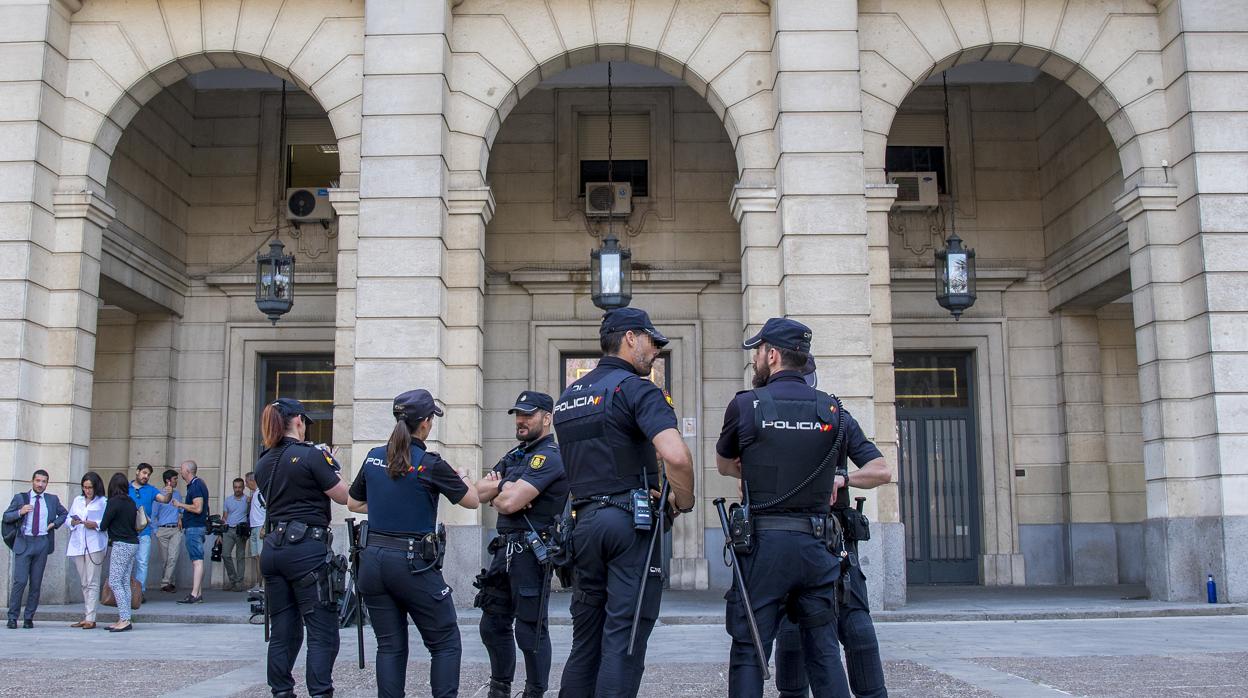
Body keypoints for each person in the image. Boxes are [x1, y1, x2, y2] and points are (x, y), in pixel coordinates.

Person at [715, 317, 868, 698]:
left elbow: (724, 463)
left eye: (758, 352)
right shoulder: (833, 409)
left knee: (750, 650)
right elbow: (869, 465)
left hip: (764, 548)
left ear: (773, 354)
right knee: (824, 652)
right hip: (817, 546)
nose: (755, 360)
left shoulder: (746, 404)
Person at [552, 307, 695, 698]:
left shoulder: (567, 399)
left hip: (583, 526)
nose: (655, 350)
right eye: (652, 341)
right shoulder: (635, 389)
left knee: (586, 641)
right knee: (624, 637)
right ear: (630, 337)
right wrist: (683, 500)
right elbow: (677, 456)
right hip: (628, 525)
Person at [347, 389, 480, 698]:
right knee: (445, 641)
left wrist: (386, 504)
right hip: (412, 564)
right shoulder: (430, 463)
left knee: (390, 646)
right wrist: (463, 477)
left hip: (372, 562)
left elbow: (354, 503)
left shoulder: (374, 456)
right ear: (426, 423)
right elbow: (471, 501)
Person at [772, 358, 893, 698]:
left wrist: (843, 477)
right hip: (792, 539)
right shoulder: (771, 416)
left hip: (830, 539)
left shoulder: (835, 416)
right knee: (795, 633)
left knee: (855, 628)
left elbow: (881, 469)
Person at [474, 391, 569, 698]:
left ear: (547, 418)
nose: (521, 420)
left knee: (530, 631)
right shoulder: (515, 455)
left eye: (528, 415)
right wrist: (504, 485)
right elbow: (478, 491)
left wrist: (501, 491)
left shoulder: (550, 456)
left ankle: (534, 692)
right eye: (518, 414)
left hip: (531, 552)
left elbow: (510, 503)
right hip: (503, 551)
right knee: (492, 624)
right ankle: (499, 689)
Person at [255, 397, 349, 698]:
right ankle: (320, 693)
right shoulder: (311, 456)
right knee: (322, 632)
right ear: (298, 421)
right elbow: (343, 496)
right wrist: (333, 465)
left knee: (284, 630)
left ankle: (281, 692)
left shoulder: (263, 460)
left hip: (273, 549)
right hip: (306, 549)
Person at [4, 469, 68, 629]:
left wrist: (54, 524)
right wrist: (20, 511)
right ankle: (12, 617)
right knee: (20, 581)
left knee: (36, 583)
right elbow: (6, 516)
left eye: (44, 481)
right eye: (38, 481)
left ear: (47, 483)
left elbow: (64, 514)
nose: (40, 484)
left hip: (41, 542)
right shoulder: (21, 498)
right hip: (24, 542)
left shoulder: (52, 500)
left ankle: (28, 618)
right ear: (32, 481)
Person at [65, 471, 108, 629]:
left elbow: (105, 521)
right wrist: (73, 522)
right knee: (84, 581)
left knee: (92, 581)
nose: (87, 490)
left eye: (90, 487)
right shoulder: (78, 500)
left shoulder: (103, 501)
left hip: (94, 544)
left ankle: (91, 616)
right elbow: (68, 518)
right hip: (78, 543)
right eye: (85, 487)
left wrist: (95, 524)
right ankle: (86, 614)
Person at [100, 471, 140, 633]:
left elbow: (103, 524)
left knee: (115, 581)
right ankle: (125, 617)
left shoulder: (114, 502)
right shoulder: (130, 501)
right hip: (133, 543)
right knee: (124, 582)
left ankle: (124, 619)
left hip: (121, 544)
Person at [129, 462, 172, 597]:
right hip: (128, 532)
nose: (146, 476)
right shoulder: (126, 488)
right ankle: (125, 592)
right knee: (128, 564)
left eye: (148, 474)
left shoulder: (151, 489)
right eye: (144, 473)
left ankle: (139, 593)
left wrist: (169, 493)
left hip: (144, 532)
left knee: (142, 562)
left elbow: (164, 500)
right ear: (137, 472)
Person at [171, 460, 209, 604]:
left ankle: (194, 594)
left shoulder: (196, 486)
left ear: (187, 471)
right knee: (197, 560)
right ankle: (198, 593)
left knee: (197, 561)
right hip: (195, 526)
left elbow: (198, 508)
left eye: (181, 469)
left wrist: (180, 504)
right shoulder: (198, 484)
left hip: (194, 527)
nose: (180, 472)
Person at [151, 468, 183, 593]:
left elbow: (181, 510)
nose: (176, 481)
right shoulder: (158, 495)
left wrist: (180, 517)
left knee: (173, 557)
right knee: (165, 559)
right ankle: (170, 581)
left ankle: (165, 583)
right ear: (167, 480)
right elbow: (153, 515)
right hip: (162, 530)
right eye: (175, 479)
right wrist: (155, 531)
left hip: (175, 529)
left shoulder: (178, 494)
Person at [220, 477, 250, 591]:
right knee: (225, 554)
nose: (237, 489)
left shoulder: (248, 500)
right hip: (228, 530)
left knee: (240, 557)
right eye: (235, 487)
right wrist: (220, 534)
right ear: (233, 487)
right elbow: (224, 517)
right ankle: (233, 580)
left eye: (239, 487)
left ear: (243, 487)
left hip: (241, 531)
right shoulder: (228, 500)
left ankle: (239, 583)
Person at [245, 470, 265, 590]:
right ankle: (259, 583)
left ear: (253, 481)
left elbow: (269, 509)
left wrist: (264, 527)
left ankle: (262, 584)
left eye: (247, 482)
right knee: (257, 557)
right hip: (254, 527)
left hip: (259, 527)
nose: (246, 485)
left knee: (261, 557)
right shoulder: (255, 494)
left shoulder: (261, 493)